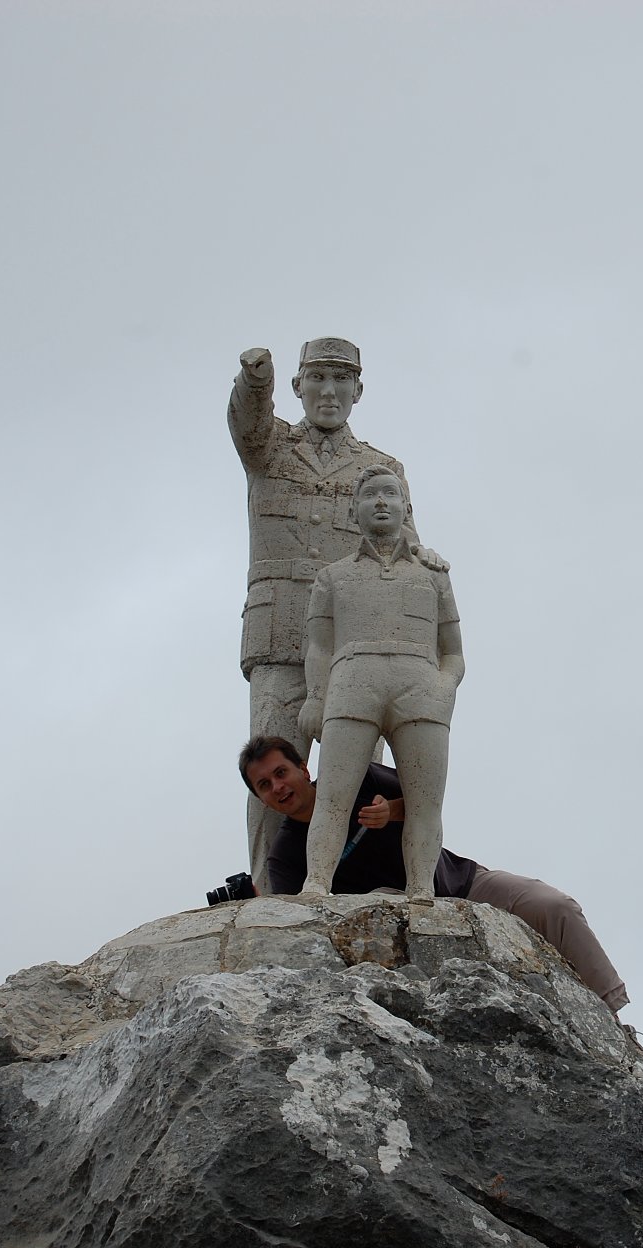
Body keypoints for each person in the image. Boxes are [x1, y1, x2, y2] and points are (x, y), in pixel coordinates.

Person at [228, 335, 446, 891]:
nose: (329, 391)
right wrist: (255, 379)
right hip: (280, 632)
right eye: (318, 379)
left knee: (352, 777)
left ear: (358, 391)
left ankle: (350, 886)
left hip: (358, 644)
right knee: (273, 773)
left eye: (341, 380)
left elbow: (405, 545)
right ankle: (267, 890)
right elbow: (247, 422)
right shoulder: (270, 447)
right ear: (297, 386)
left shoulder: (381, 467)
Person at [238, 736, 630, 1015]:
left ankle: (611, 1013)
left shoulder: (358, 778)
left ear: (304, 768)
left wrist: (391, 811)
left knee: (554, 905)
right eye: (265, 785)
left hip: (459, 882)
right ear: (261, 799)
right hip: (395, 920)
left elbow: (427, 797)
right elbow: (302, 922)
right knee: (381, 896)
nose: (278, 786)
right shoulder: (285, 856)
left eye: (281, 772)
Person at [298, 464, 464, 905]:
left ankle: (421, 888)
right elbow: (319, 647)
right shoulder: (332, 576)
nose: (380, 503)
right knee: (333, 795)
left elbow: (453, 651)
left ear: (407, 507)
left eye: (390, 494)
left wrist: (443, 688)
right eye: (370, 495)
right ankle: (316, 882)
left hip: (419, 686)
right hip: (353, 681)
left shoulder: (433, 574)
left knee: (426, 802)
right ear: (353, 510)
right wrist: (316, 695)